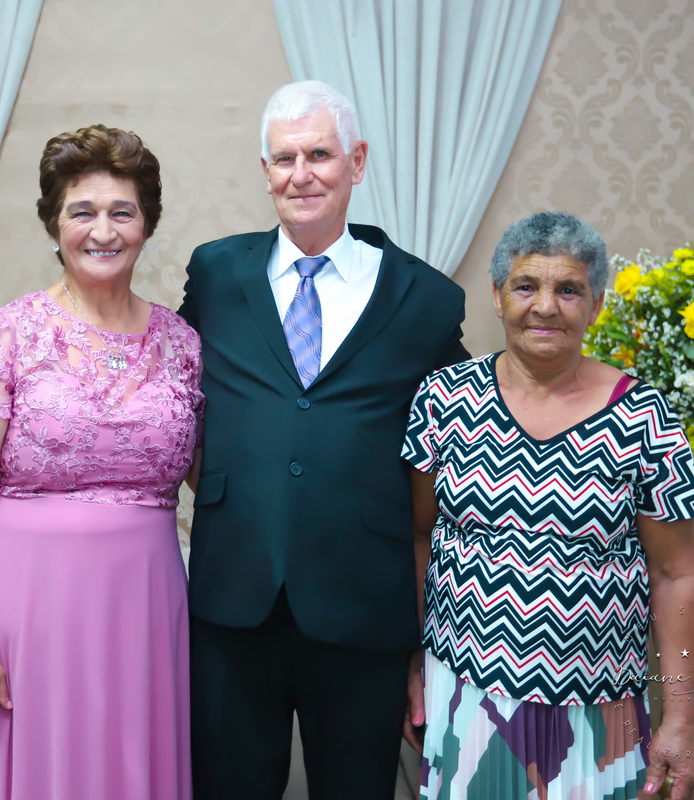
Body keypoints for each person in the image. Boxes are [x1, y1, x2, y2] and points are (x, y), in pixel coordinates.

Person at [178, 80, 469, 800]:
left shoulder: (426, 298)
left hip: (362, 605)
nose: (300, 175)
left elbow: (470, 429)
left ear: (357, 162)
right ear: (266, 171)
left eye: (319, 155)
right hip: (233, 598)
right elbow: (168, 386)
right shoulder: (216, 273)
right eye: (284, 159)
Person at [0, 124, 204, 800]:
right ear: (54, 225)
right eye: (82, 212)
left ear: (148, 225)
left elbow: (220, 478)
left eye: (122, 212)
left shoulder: (183, 344)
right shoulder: (7, 335)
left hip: (145, 610)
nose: (102, 231)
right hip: (31, 611)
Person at [402, 212, 694, 799]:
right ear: (497, 296)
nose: (545, 307)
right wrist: (410, 663)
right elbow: (419, 536)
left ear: (596, 306)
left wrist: (682, 718)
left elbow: (677, 574)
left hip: (600, 716)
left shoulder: (644, 416)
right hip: (464, 700)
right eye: (526, 286)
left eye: (569, 290)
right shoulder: (444, 399)